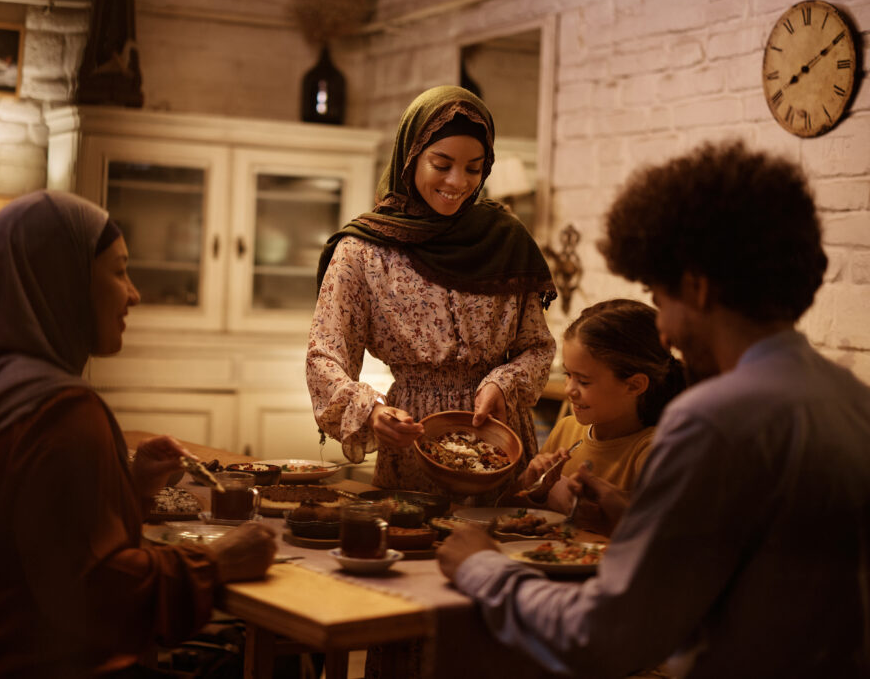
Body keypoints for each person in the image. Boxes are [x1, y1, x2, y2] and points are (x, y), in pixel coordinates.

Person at [438, 141, 870, 677]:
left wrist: (482, 568)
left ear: (697, 287)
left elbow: (603, 636)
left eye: (659, 298)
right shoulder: (853, 400)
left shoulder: (714, 418)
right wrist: (641, 521)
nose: (663, 329)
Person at [0, 191, 277, 677]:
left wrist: (132, 488)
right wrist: (215, 563)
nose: (134, 293)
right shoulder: (61, 412)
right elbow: (97, 600)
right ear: (64, 283)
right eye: (119, 270)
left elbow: (33, 546)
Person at [307, 85, 557, 497]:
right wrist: (372, 412)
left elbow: (537, 346)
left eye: (474, 169)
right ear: (410, 157)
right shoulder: (365, 251)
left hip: (498, 440)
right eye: (441, 164)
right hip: (413, 440)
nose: (458, 182)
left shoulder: (506, 240)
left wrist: (503, 383)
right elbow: (324, 355)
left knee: (505, 549)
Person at [506, 299, 685, 534]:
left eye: (584, 381)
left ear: (634, 385)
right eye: (568, 375)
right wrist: (535, 487)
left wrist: (613, 513)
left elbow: (663, 536)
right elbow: (509, 514)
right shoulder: (565, 429)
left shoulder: (653, 450)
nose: (569, 388)